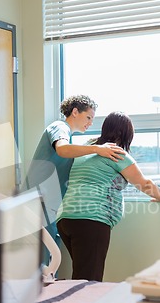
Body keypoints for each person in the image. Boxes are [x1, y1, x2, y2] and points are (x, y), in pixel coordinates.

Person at [56, 111, 160, 282]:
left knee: (83, 276)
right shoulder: (116, 153)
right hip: (90, 220)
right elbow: (144, 183)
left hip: (66, 219)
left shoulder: (88, 147)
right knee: (89, 280)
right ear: (126, 134)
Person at [23, 95, 125, 252]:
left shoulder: (71, 141)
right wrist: (97, 148)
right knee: (38, 258)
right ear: (75, 112)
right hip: (37, 202)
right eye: (88, 117)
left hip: (50, 204)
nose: (90, 123)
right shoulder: (59, 127)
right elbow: (62, 149)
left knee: (48, 257)